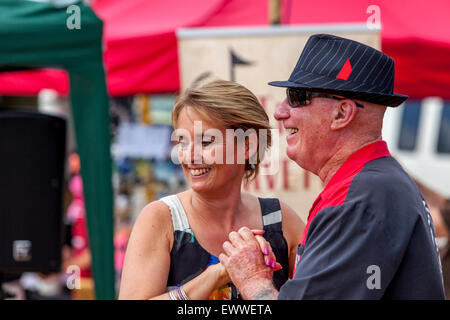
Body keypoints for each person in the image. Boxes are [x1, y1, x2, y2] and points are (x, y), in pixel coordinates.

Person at [219, 34, 446, 299]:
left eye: (297, 96)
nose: (280, 112)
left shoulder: (361, 196)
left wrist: (252, 279)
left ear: (342, 114)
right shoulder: (372, 183)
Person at [118, 80, 304, 300]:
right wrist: (218, 273)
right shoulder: (162, 218)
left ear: (247, 146)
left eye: (206, 142)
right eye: (182, 142)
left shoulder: (279, 220)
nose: (189, 156)